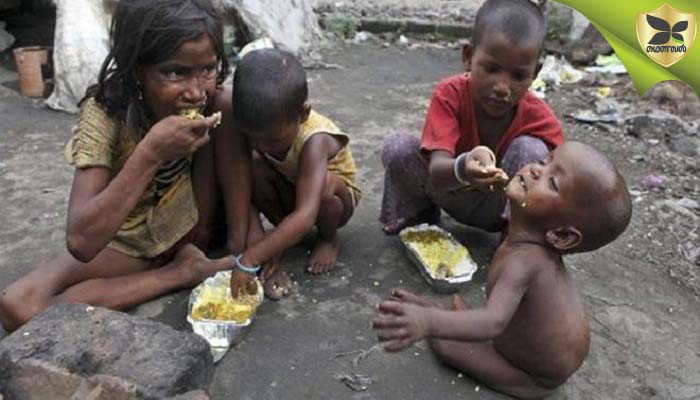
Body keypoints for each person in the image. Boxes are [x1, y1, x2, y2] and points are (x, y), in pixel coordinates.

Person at [0, 0, 235, 332]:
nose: (196, 92)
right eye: (175, 73)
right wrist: (150, 153)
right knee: (18, 306)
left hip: (188, 231)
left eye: (207, 69)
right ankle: (180, 274)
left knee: (231, 103)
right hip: (129, 243)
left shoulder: (215, 101)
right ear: (135, 68)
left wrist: (241, 249)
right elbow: (81, 242)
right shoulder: (106, 113)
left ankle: (183, 262)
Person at [373, 142, 633, 399]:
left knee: (447, 347)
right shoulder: (522, 243)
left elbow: (493, 322)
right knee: (457, 325)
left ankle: (433, 318)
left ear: (562, 235)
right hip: (524, 342)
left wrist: (428, 322)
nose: (535, 170)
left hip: (532, 375)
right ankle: (437, 315)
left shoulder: (526, 262)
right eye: (544, 162)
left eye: (553, 183)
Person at [379, 0, 565, 235]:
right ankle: (419, 216)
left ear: (535, 73)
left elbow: (565, 173)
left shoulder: (538, 116)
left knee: (531, 150)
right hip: (450, 190)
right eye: (491, 69)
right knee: (398, 147)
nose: (502, 87)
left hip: (501, 206)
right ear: (468, 57)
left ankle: (516, 239)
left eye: (518, 76)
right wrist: (465, 167)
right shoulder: (450, 95)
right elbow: (438, 171)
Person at [220, 49, 361, 300]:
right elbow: (246, 197)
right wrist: (261, 247)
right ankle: (286, 234)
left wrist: (250, 258)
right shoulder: (260, 129)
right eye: (253, 138)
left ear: (303, 114)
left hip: (333, 201)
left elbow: (307, 214)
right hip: (293, 188)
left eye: (273, 141)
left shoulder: (314, 140)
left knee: (324, 187)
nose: (263, 146)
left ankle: (328, 239)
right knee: (252, 165)